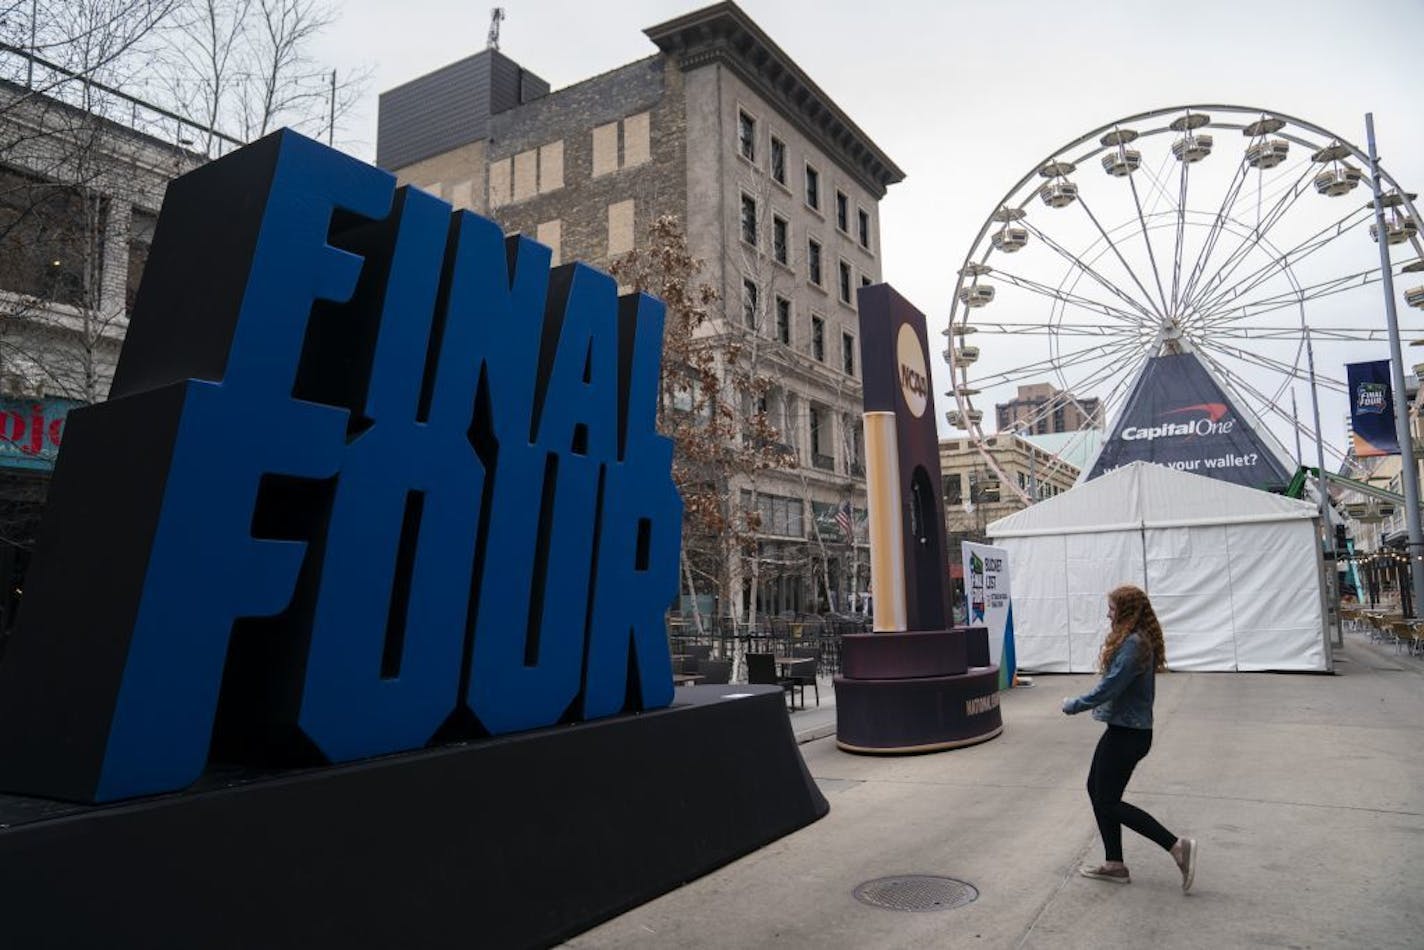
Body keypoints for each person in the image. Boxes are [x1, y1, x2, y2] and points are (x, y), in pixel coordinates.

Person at [1061, 584, 1197, 892]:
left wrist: (1075, 704)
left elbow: (1110, 687)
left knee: (1107, 801)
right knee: (1096, 790)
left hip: (1128, 734)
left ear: (1126, 611)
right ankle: (1115, 864)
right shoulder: (1137, 640)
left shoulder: (1134, 644)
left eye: (1111, 609)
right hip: (1126, 731)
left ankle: (1176, 846)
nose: (1108, 614)